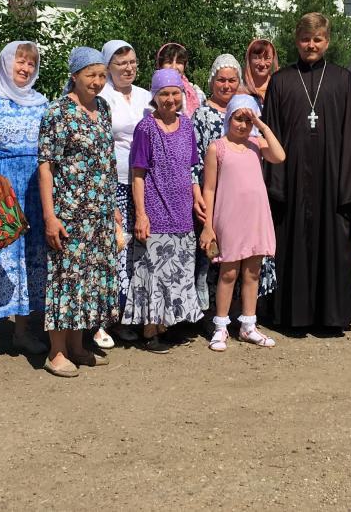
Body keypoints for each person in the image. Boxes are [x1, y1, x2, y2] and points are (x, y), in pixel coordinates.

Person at [258, 13, 351, 331]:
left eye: (318, 39)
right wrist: (275, 185)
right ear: (297, 40)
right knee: (291, 243)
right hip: (292, 181)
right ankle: (292, 315)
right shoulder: (281, 81)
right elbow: (271, 135)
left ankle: (332, 316)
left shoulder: (341, 79)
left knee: (333, 245)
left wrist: (350, 184)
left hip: (333, 181)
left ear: (328, 41)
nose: (311, 45)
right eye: (305, 39)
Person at [37, 47, 123, 377]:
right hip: (69, 211)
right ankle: (56, 352)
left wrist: (113, 208)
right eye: (91, 75)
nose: (98, 82)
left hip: (99, 212)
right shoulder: (57, 112)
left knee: (87, 281)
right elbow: (46, 166)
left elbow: (108, 162)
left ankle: (77, 346)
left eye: (102, 75)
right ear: (75, 76)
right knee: (65, 280)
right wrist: (50, 216)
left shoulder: (103, 108)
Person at [0, 41, 49, 364]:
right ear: (6, 64)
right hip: (0, 186)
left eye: (31, 64)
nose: (25, 69)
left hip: (34, 185)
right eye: (20, 63)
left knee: (31, 257)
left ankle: (22, 332)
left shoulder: (41, 102)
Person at [122, 68, 205, 352]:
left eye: (175, 93)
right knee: (153, 273)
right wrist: (141, 213)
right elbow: (138, 174)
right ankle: (149, 330)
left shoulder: (187, 126)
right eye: (164, 94)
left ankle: (166, 324)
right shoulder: (146, 128)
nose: (170, 99)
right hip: (155, 211)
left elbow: (191, 168)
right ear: (155, 97)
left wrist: (196, 198)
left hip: (182, 210)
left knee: (178, 273)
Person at [199, 95, 285, 351]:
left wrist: (262, 124)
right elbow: (210, 188)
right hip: (228, 218)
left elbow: (280, 156)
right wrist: (208, 225)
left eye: (248, 120)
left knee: (252, 272)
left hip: (255, 217)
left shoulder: (257, 144)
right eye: (239, 119)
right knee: (228, 272)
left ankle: (248, 325)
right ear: (229, 118)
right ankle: (221, 327)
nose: (243, 125)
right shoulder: (218, 147)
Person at [98, 38, 151, 345]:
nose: (128, 68)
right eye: (121, 63)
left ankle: (127, 315)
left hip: (142, 182)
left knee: (135, 250)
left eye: (132, 62)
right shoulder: (102, 96)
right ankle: (105, 317)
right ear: (108, 67)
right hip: (113, 179)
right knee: (115, 246)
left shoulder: (145, 96)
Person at [191, 54, 243, 309]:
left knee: (235, 252)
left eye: (232, 80)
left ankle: (231, 309)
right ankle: (208, 311)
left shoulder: (243, 112)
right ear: (212, 81)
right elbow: (192, 157)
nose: (226, 85)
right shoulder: (201, 114)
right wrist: (196, 192)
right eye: (221, 80)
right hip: (211, 193)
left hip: (238, 195)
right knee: (211, 251)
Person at [156, 41, 205, 116]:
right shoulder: (152, 96)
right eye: (169, 62)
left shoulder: (196, 93)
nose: (174, 67)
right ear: (160, 65)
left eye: (179, 62)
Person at [242, 38, 279, 105]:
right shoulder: (240, 89)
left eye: (267, 58)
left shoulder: (279, 88)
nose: (262, 64)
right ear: (249, 60)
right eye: (257, 58)